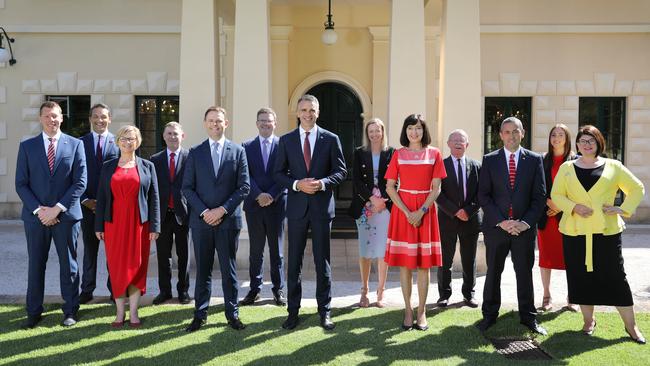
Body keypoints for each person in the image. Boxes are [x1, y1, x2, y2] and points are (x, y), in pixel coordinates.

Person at [551, 125, 646, 344]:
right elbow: (556, 195)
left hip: (606, 232)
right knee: (581, 277)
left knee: (616, 278)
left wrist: (622, 209)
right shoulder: (566, 168)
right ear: (576, 144)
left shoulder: (614, 166)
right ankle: (588, 321)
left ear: (599, 143)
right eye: (583, 140)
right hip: (575, 232)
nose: (587, 144)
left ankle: (631, 327)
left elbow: (637, 188)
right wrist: (574, 207)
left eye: (591, 140)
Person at [273, 94, 347, 331]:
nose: (307, 114)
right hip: (295, 209)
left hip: (321, 209)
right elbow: (278, 173)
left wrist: (323, 183)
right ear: (297, 112)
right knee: (293, 262)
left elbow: (341, 171)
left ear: (318, 112)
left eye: (311, 110)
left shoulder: (331, 139)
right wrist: (297, 185)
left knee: (321, 261)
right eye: (303, 110)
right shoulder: (285, 140)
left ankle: (324, 312)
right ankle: (292, 312)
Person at [15, 101, 87, 328]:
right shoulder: (27, 147)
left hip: (66, 216)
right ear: (40, 119)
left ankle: (70, 311)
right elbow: (21, 184)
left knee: (69, 266)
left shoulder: (75, 145)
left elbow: (80, 182)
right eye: (47, 116)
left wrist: (57, 208)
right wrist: (40, 210)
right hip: (36, 217)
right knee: (36, 264)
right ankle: (34, 312)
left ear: (62, 118)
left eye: (55, 116)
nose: (51, 120)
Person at [476, 117, 547, 335]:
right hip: (497, 229)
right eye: (506, 132)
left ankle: (529, 318)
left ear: (522, 133)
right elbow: (483, 196)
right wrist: (503, 221)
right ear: (500, 135)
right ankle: (489, 316)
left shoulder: (535, 160)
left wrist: (524, 223)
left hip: (524, 230)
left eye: (515, 131)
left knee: (524, 273)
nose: (511, 136)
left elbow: (540, 197)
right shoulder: (490, 160)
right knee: (493, 273)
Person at [183, 106, 250, 332]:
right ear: (205, 123)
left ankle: (232, 314)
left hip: (228, 222)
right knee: (202, 271)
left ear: (226, 123)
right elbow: (187, 188)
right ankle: (200, 314)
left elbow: (244, 187)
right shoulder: (195, 152)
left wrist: (222, 210)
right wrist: (205, 212)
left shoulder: (238, 151)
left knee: (229, 270)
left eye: (219, 121)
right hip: (201, 223)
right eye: (211, 121)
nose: (215, 124)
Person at [384, 114, 446, 331]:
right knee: (405, 265)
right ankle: (408, 310)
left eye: (418, 128)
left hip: (425, 212)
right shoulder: (398, 154)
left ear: (424, 130)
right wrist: (407, 212)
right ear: (405, 130)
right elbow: (390, 186)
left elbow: (436, 188)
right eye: (410, 128)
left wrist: (421, 211)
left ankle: (422, 311)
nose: (414, 132)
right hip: (403, 212)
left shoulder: (434, 153)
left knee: (423, 266)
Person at [95, 125, 160, 328]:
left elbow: (154, 199)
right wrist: (99, 226)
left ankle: (133, 313)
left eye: (131, 138)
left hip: (139, 225)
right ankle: (119, 313)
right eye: (124, 138)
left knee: (137, 267)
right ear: (117, 141)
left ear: (138, 142)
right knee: (116, 268)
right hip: (113, 224)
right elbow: (102, 198)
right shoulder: (108, 166)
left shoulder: (147, 166)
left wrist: (154, 227)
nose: (127, 142)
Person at [240, 108, 287, 307]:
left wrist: (271, 195)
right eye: (262, 120)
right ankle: (254, 290)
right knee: (256, 251)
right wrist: (258, 194)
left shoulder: (284, 145)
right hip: (254, 205)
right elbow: (244, 175)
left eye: (269, 121)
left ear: (275, 123)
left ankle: (279, 290)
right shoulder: (246, 146)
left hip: (277, 205)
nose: (265, 124)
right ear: (257, 123)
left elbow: (287, 172)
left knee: (277, 251)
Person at [348, 118, 394, 308]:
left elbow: (395, 179)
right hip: (365, 207)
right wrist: (371, 199)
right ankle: (364, 292)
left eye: (377, 131)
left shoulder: (392, 152)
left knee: (383, 252)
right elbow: (356, 180)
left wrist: (382, 201)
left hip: (385, 208)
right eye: (371, 131)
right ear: (367, 134)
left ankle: (380, 292)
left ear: (383, 132)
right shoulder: (360, 153)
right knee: (365, 251)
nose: (374, 134)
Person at [435, 129, 481, 308]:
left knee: (469, 260)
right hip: (447, 220)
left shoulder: (476, 166)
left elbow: (482, 193)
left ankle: (469, 295)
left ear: (467, 145)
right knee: (445, 260)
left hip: (471, 220)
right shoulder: (440, 165)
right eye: (454, 139)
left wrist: (468, 211)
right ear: (448, 144)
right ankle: (444, 295)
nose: (458, 143)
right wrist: (455, 211)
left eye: (461, 140)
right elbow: (437, 193)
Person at [79, 103, 120, 304]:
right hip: (87, 206)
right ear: (90, 119)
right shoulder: (80, 143)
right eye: (95, 116)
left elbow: (123, 175)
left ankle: (115, 290)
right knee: (89, 250)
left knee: (113, 251)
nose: (99, 120)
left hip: (112, 208)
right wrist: (84, 200)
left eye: (103, 116)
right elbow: (74, 175)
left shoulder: (119, 143)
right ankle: (87, 289)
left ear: (109, 119)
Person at [537, 124, 577, 312]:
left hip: (569, 217)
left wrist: (561, 206)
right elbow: (537, 186)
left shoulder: (575, 161)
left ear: (567, 138)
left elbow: (578, 191)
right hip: (547, 217)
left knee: (571, 257)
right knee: (546, 257)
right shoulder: (542, 160)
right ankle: (546, 296)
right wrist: (548, 202)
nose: (557, 138)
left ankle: (572, 297)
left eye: (561, 135)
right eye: (553, 134)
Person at [150, 122, 191, 305]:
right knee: (163, 256)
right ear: (164, 136)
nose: (172, 136)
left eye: (176, 133)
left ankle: (183, 291)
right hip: (163, 215)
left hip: (184, 214)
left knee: (184, 255)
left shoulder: (191, 157)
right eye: (169, 133)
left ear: (183, 136)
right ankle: (164, 291)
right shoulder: (155, 159)